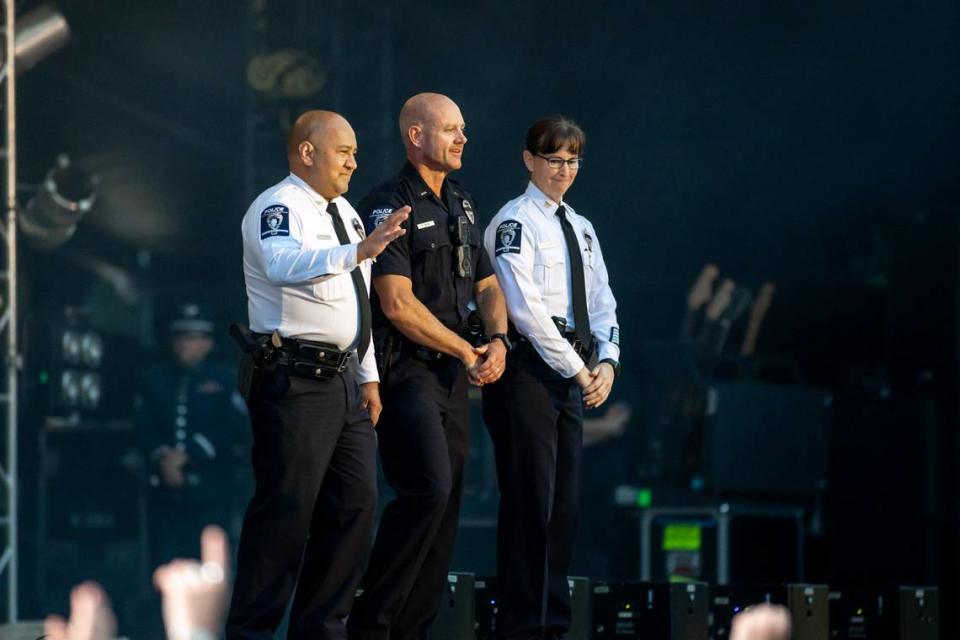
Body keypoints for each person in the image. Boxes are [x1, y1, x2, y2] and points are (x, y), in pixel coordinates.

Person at [225, 110, 409, 640]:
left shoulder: (348, 213)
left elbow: (359, 302)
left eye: (354, 150)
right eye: (343, 150)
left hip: (346, 381)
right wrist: (359, 250)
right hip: (296, 379)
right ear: (308, 153)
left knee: (355, 511)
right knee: (286, 513)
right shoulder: (276, 205)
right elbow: (282, 264)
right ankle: (252, 633)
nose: (354, 160)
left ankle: (321, 632)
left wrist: (369, 376)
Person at [347, 93, 508, 640]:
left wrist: (500, 339)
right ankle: (371, 624)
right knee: (427, 491)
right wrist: (467, 350)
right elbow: (394, 303)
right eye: (451, 130)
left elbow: (487, 284)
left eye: (464, 129)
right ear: (416, 136)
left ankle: (411, 631)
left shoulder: (462, 202)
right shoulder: (387, 202)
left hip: (451, 380)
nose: (464, 139)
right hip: (406, 372)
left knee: (447, 509)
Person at [482, 116, 621, 640]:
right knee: (530, 503)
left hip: (574, 370)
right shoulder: (515, 221)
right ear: (529, 160)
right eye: (554, 160)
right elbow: (524, 309)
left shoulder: (581, 226)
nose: (564, 171)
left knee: (564, 507)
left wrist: (607, 360)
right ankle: (522, 626)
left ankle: (552, 625)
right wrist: (578, 367)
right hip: (529, 370)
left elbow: (603, 299)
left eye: (572, 161)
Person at [135, 302, 248, 567]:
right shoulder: (155, 379)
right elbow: (143, 424)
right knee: (165, 561)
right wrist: (164, 457)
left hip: (212, 487)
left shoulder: (224, 379)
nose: (186, 344)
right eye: (181, 337)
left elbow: (234, 426)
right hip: (165, 488)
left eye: (194, 338)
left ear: (208, 343)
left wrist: (189, 455)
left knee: (211, 560)